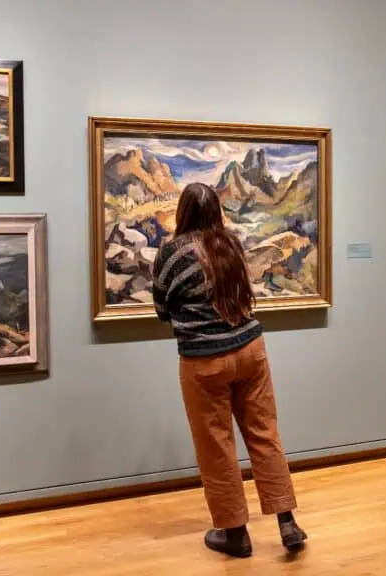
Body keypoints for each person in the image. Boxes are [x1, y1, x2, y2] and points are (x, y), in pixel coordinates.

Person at [150, 182, 307, 558]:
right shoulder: (231, 244)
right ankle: (287, 521)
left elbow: (161, 310)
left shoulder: (171, 253)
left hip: (204, 361)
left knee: (216, 445)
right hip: (251, 350)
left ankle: (235, 533)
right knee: (265, 434)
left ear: (183, 212)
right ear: (216, 210)